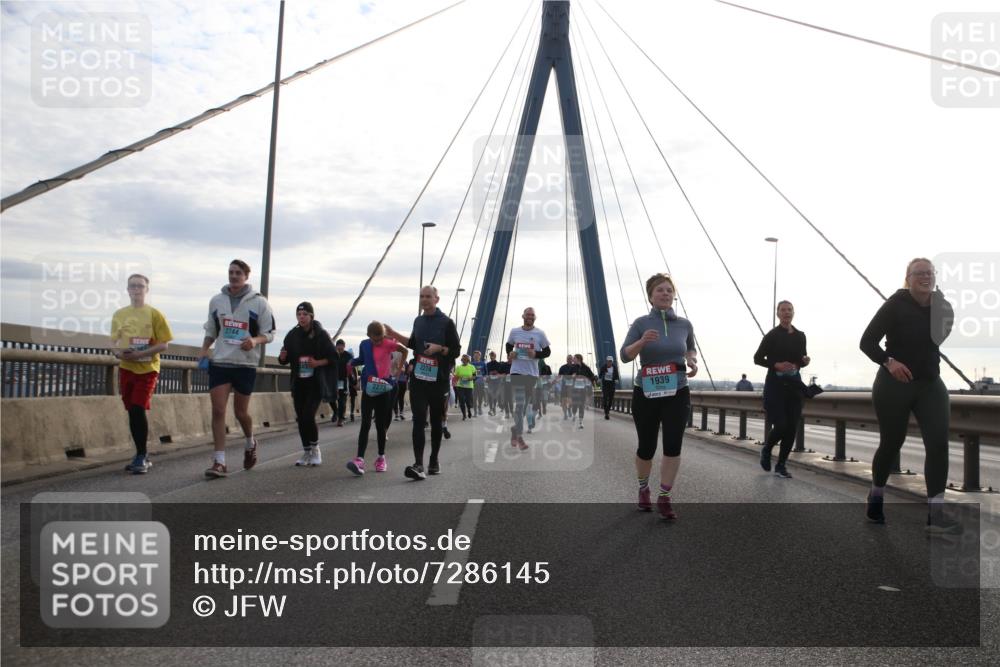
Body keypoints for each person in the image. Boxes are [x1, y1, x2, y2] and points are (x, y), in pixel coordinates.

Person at [859, 258, 957, 533]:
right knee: (892, 443)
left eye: (930, 273)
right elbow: (866, 341)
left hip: (929, 383)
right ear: (908, 277)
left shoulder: (943, 306)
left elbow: (937, 339)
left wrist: (941, 309)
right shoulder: (895, 305)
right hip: (894, 383)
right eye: (919, 273)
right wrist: (889, 362)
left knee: (938, 444)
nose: (926, 277)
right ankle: (876, 495)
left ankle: (936, 515)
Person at [620, 273, 698, 520]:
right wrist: (642, 341)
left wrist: (691, 361)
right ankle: (644, 488)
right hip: (646, 391)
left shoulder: (684, 324)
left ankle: (664, 496)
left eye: (668, 290)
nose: (665, 294)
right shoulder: (641, 323)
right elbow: (625, 355)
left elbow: (690, 348)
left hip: (677, 390)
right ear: (651, 297)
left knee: (673, 444)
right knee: (647, 446)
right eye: (659, 291)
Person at [198, 259, 276, 478]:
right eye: (231, 272)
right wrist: (204, 349)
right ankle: (219, 461)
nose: (233, 276)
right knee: (218, 410)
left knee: (241, 412)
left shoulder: (259, 303)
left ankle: (250, 441)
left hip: (245, 364)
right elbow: (212, 330)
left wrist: (255, 341)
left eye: (238, 272)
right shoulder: (216, 301)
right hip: (221, 362)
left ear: (246, 276)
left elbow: (269, 334)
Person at [384, 286, 460, 480]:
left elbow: (456, 351)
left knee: (436, 421)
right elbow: (413, 343)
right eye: (421, 296)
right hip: (419, 378)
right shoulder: (418, 321)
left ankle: (433, 460)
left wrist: (439, 349)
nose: (424, 300)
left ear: (437, 299)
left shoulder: (447, 323)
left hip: (439, 380)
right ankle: (418, 464)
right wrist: (393, 333)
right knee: (418, 420)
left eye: (428, 296)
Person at [111, 273, 174, 474]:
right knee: (132, 410)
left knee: (138, 407)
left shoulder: (156, 314)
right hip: (127, 368)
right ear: (127, 289)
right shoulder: (119, 314)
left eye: (140, 286)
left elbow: (164, 344)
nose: (136, 289)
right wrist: (119, 353)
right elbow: (113, 343)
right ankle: (141, 453)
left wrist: (141, 354)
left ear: (147, 290)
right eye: (133, 286)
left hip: (148, 369)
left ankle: (141, 456)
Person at [753, 300, 811, 479]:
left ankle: (781, 465)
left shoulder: (801, 335)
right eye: (783, 310)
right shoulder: (772, 335)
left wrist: (804, 361)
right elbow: (757, 358)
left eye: (790, 310)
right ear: (778, 313)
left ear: (793, 312)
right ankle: (767, 449)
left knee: (792, 427)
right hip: (775, 387)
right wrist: (776, 364)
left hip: (794, 386)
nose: (787, 313)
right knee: (781, 425)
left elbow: (800, 360)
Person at [346, 321, 408, 475]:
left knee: (380, 425)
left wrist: (398, 370)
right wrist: (351, 363)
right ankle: (359, 459)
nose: (379, 342)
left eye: (381, 338)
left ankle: (381, 458)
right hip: (369, 387)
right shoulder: (364, 344)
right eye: (375, 339)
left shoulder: (388, 344)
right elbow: (362, 359)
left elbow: (405, 351)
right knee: (365, 423)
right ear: (369, 336)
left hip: (384, 388)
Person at [278, 302, 335, 467]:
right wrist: (282, 357)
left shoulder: (321, 335)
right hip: (298, 381)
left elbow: (333, 358)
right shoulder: (292, 335)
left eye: (305, 315)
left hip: (315, 382)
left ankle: (315, 449)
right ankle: (306, 451)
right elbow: (284, 359)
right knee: (300, 417)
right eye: (299, 315)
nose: (301, 318)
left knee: (309, 415)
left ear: (311, 316)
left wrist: (317, 363)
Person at [505, 307, 552, 449]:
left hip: (532, 374)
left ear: (535, 317)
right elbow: (508, 345)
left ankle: (514, 430)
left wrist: (536, 355)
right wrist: (510, 353)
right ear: (523, 316)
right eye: (528, 314)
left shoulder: (540, 333)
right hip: (517, 372)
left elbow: (548, 351)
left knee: (524, 406)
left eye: (532, 315)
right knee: (520, 405)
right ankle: (519, 437)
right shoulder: (514, 331)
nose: (530, 317)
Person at [570, 353, 596, 430]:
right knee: (574, 405)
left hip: (583, 390)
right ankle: (574, 415)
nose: (572, 360)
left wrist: (594, 380)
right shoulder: (572, 368)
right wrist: (572, 376)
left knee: (581, 405)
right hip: (574, 389)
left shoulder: (586, 368)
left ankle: (581, 422)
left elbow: (592, 376)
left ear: (578, 359)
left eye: (574, 358)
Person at [331, 340, 353, 426]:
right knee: (331, 398)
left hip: (343, 380)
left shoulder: (348, 356)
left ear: (344, 346)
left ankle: (340, 419)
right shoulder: (332, 355)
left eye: (341, 345)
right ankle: (335, 411)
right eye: (338, 345)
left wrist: (352, 381)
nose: (339, 347)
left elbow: (351, 368)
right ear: (336, 346)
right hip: (332, 380)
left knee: (342, 400)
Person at [455, 354, 477, 420]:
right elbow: (456, 376)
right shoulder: (458, 367)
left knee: (468, 400)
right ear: (461, 360)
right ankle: (464, 415)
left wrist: (471, 378)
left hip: (469, 386)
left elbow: (474, 375)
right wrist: (459, 377)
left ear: (468, 360)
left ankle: (469, 410)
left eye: (466, 360)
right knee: (461, 400)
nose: (464, 361)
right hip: (460, 386)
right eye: (463, 360)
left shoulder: (472, 367)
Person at [598, 355, 620, 420]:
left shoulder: (614, 367)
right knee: (605, 399)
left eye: (610, 361)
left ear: (612, 362)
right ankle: (606, 413)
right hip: (605, 386)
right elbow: (600, 374)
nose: (609, 363)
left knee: (610, 400)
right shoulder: (603, 367)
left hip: (612, 386)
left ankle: (608, 411)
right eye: (608, 361)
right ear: (606, 361)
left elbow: (616, 375)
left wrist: (616, 379)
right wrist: (599, 379)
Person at [557, 355, 578, 420]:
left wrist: (573, 376)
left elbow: (576, 374)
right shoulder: (562, 367)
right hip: (564, 386)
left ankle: (569, 408)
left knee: (571, 400)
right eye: (568, 359)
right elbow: (559, 376)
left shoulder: (575, 367)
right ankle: (565, 414)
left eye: (570, 359)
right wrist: (556, 380)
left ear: (572, 360)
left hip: (572, 386)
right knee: (563, 401)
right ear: (566, 359)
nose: (569, 360)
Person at [485, 351, 502, 416]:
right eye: (490, 356)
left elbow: (499, 372)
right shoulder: (488, 364)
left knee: (494, 395)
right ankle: (491, 408)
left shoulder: (499, 364)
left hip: (497, 382)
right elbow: (487, 372)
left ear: (495, 356)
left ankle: (494, 408)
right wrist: (489, 374)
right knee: (490, 394)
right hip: (490, 381)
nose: (491, 357)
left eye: (492, 356)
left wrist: (495, 372)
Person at [471, 350, 487, 416]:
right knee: (474, 398)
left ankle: (479, 407)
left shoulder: (483, 364)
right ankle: (475, 412)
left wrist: (485, 378)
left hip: (481, 383)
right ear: (473, 356)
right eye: (475, 355)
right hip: (474, 383)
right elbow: (470, 373)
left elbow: (486, 373)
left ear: (480, 356)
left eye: (477, 355)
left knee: (480, 397)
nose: (476, 356)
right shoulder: (471, 364)